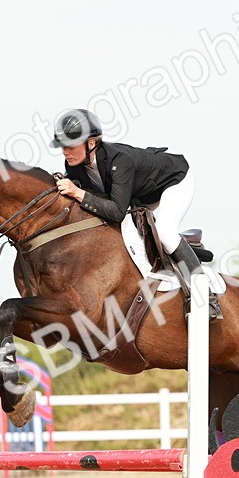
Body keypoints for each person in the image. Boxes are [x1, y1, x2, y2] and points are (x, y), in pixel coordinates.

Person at [49, 108, 222, 321]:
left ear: (91, 143)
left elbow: (116, 211)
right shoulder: (74, 164)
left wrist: (77, 193)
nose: (65, 151)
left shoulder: (119, 161)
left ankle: (205, 296)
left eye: (70, 146)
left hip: (173, 181)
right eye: (62, 146)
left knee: (165, 233)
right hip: (136, 193)